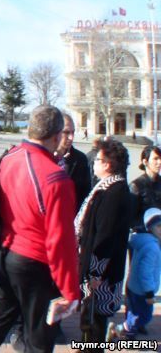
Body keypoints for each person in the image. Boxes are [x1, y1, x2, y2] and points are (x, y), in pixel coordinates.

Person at [0, 105, 80, 353]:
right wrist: (70, 290)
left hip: (6, 254)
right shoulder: (56, 178)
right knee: (39, 338)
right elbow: (61, 241)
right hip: (36, 263)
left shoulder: (8, 158)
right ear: (56, 136)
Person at [75, 138, 131, 349]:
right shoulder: (108, 187)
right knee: (91, 321)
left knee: (94, 322)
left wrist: (95, 273)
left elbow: (105, 237)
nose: (94, 163)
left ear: (108, 164)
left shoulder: (113, 193)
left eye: (97, 159)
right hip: (98, 268)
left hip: (102, 273)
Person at [108, 207, 161, 340]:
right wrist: (149, 292)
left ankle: (124, 333)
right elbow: (145, 272)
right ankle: (119, 331)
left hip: (134, 286)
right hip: (142, 290)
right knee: (143, 316)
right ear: (150, 228)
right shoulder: (152, 247)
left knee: (135, 314)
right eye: (159, 226)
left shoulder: (143, 241)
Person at [56, 114, 91, 212]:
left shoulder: (80, 159)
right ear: (55, 132)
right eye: (66, 132)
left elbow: (85, 195)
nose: (71, 137)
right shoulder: (44, 158)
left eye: (73, 132)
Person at [130, 145, 161, 233]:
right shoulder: (136, 185)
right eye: (155, 159)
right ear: (145, 161)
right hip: (143, 232)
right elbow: (130, 216)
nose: (159, 162)